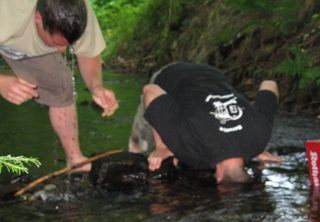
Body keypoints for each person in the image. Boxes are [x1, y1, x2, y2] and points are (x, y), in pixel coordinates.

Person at [0, 0, 118, 172]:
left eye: (69, 44)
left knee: (61, 83)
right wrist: (2, 83)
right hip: (10, 28)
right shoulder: (7, 10)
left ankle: (74, 160)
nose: (63, 51)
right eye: (58, 43)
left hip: (26, 42)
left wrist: (96, 86)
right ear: (38, 18)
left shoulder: (77, 12)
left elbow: (87, 53)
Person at [129, 63, 280, 184]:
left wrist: (254, 148)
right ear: (218, 177)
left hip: (212, 73)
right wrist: (163, 146)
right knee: (139, 146)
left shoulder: (260, 136)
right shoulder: (192, 148)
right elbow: (150, 90)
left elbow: (269, 83)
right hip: (170, 76)